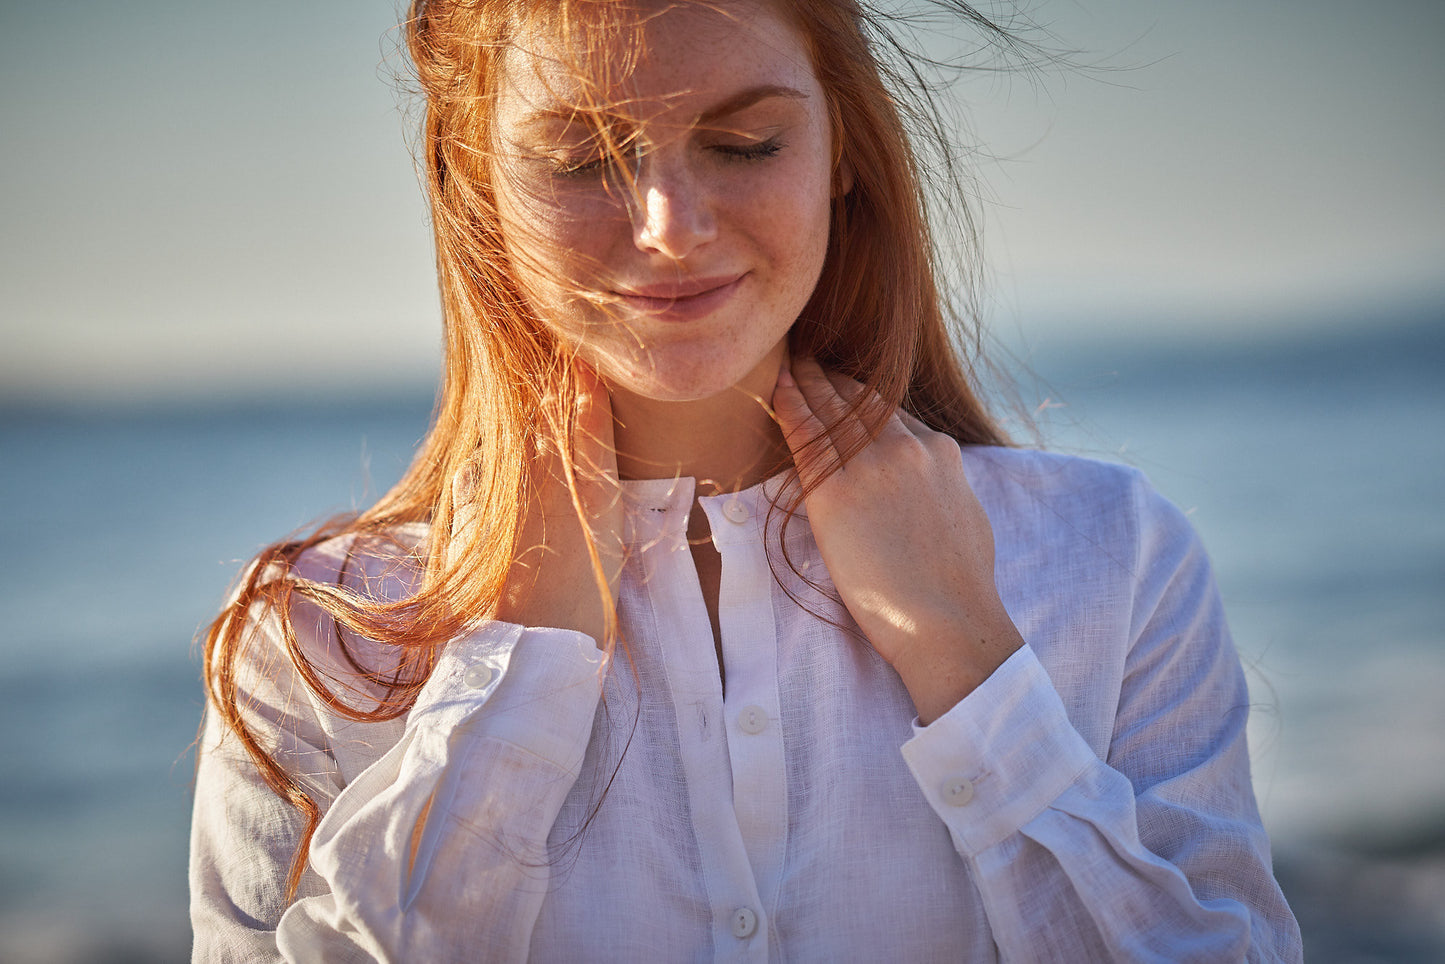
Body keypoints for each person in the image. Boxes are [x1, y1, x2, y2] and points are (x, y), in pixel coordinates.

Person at [189, 0, 1303, 960]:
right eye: (580, 160)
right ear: (474, 180)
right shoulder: (309, 638)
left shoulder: (1114, 557)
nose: (670, 228)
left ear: (841, 147)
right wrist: (513, 675)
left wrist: (966, 657)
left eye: (744, 143)